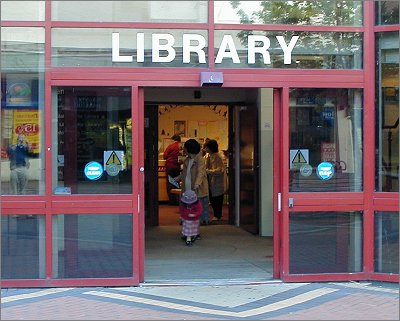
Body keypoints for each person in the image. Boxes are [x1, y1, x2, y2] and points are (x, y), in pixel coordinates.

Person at [174, 138, 210, 226]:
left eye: (185, 147)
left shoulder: (200, 160)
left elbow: (201, 173)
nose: (183, 149)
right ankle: (187, 220)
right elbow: (184, 173)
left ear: (189, 148)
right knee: (187, 206)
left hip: (197, 188)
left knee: (199, 206)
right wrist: (177, 178)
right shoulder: (187, 160)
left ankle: (202, 222)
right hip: (187, 187)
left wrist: (197, 184)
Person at [204, 139, 225, 221]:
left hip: (217, 181)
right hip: (211, 181)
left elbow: (220, 170)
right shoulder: (209, 156)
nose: (205, 149)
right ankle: (216, 215)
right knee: (213, 199)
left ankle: (217, 215)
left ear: (211, 148)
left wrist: (208, 171)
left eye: (206, 147)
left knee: (217, 199)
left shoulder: (217, 156)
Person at [163, 134, 182, 204]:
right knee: (176, 182)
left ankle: (172, 201)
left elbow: (164, 156)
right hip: (177, 166)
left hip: (170, 166)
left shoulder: (170, 146)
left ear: (173, 140)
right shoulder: (181, 147)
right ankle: (178, 200)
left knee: (170, 182)